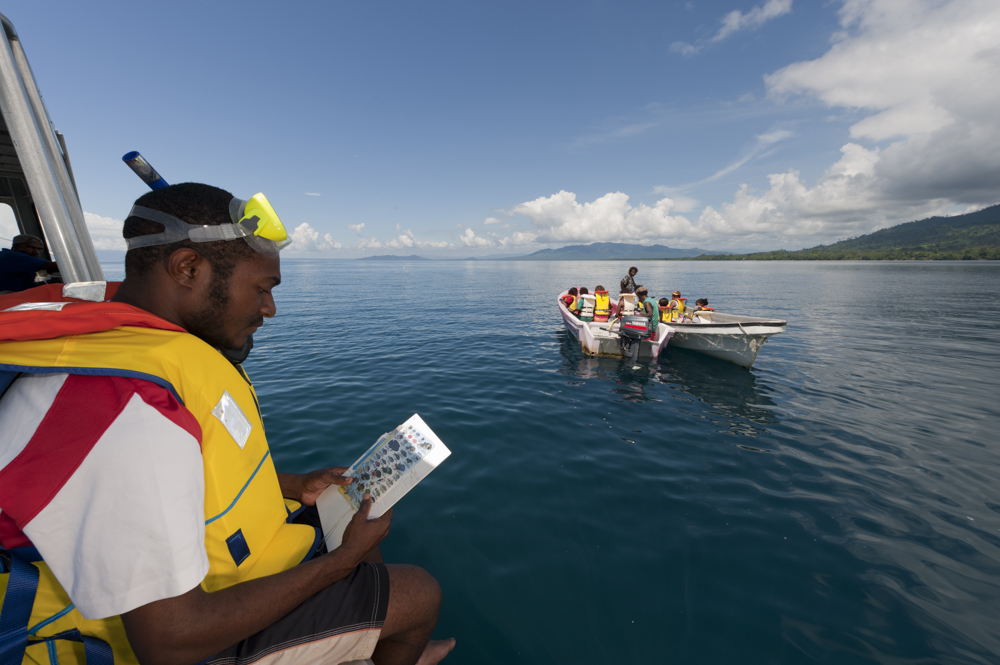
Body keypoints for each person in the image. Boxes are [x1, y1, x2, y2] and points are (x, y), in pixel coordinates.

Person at [0, 183, 455, 665]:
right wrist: (340, 564)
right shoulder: (130, 409)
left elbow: (173, 481)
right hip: (147, 642)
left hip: (215, 575)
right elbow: (170, 642)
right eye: (261, 289)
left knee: (355, 534)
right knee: (418, 594)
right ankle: (390, 640)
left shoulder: (127, 343)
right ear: (187, 268)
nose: (270, 309)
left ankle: (372, 642)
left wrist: (292, 484)